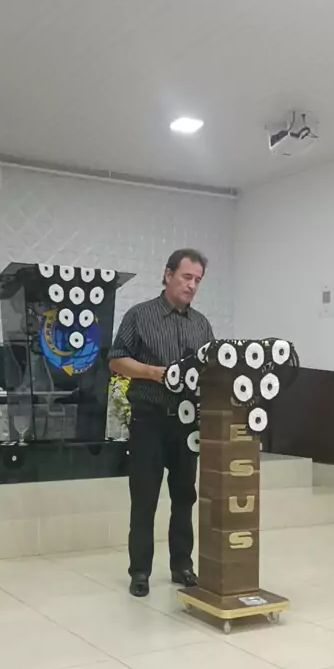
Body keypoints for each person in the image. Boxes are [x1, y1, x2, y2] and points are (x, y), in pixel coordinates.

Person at [108, 248, 214, 597]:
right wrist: (153, 373)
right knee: (145, 499)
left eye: (198, 280)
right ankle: (140, 571)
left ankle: (182, 566)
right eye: (186, 277)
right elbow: (116, 360)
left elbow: (212, 369)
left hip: (187, 425)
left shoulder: (201, 324)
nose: (192, 285)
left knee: (184, 497)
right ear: (168, 275)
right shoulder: (139, 315)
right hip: (149, 421)